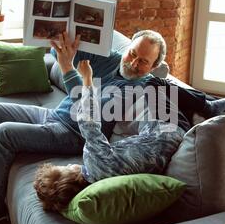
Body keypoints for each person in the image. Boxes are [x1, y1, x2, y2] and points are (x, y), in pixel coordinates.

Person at [0, 30, 225, 224]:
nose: (133, 62)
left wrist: (69, 72)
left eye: (143, 61)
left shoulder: (138, 88)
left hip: (73, 132)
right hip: (56, 113)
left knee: (5, 133)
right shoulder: (111, 58)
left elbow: (87, 115)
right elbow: (64, 55)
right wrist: (62, 44)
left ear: (153, 67)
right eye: (132, 52)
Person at [34, 60, 185, 211]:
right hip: (168, 126)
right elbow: (88, 120)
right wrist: (87, 78)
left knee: (132, 108)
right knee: (154, 84)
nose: (67, 164)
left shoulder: (101, 183)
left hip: (168, 138)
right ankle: (206, 103)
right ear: (67, 178)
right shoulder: (94, 163)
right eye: (64, 168)